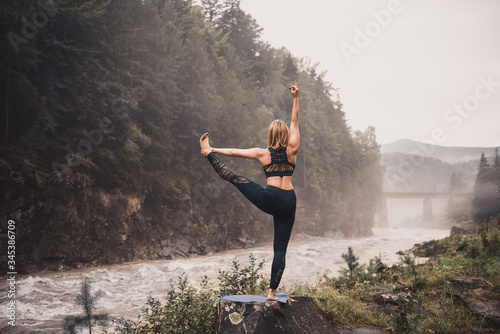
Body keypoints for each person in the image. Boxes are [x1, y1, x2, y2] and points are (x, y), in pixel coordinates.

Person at [200, 81, 300, 301]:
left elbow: (235, 152)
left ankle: (208, 153)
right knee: (280, 249)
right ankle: (272, 293)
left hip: (270, 198)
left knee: (236, 178)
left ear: (270, 135)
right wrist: (295, 98)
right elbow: (294, 120)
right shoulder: (293, 150)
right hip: (289, 201)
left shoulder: (263, 153)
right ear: (284, 135)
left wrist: (213, 148)